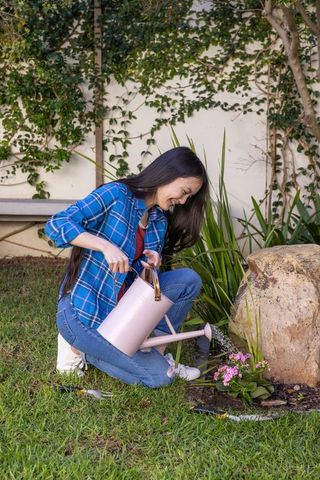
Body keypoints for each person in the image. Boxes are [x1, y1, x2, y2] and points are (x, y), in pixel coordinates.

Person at [45, 146, 209, 387]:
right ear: (168, 174)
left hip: (121, 318)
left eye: (189, 197)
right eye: (184, 192)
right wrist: (105, 246)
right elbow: (56, 224)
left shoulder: (158, 221)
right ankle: (79, 348)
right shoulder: (116, 194)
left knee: (188, 280)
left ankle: (158, 354)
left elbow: (142, 289)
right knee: (158, 379)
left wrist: (151, 267)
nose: (183, 201)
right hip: (85, 314)